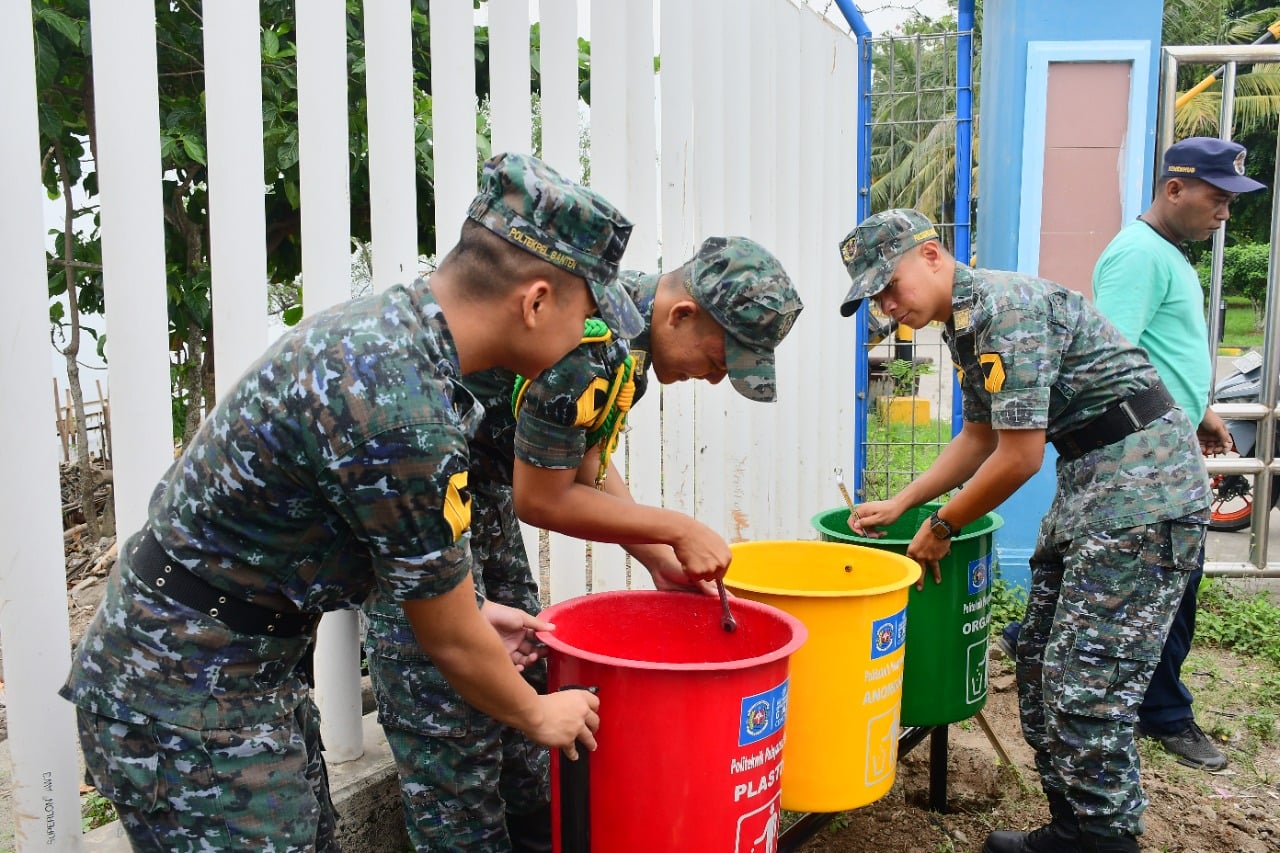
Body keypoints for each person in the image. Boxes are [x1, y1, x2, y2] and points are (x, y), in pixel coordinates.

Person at [59, 151, 643, 852]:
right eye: (586, 313)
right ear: (538, 299)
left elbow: (378, 549)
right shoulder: (402, 404)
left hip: (238, 666)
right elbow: (447, 638)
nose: (586, 335)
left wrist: (476, 610)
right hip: (186, 687)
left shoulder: (398, 341)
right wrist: (539, 713)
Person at [364, 235, 803, 851]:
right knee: (452, 720)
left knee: (527, 676)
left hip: (479, 490)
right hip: (421, 500)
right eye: (720, 357)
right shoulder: (594, 343)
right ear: (683, 314)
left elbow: (581, 459)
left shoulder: (628, 347)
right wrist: (675, 529)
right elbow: (541, 499)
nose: (715, 377)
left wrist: (657, 558)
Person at [838, 209, 1210, 853]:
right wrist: (905, 501)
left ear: (932, 256)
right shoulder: (964, 323)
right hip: (1096, 489)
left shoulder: (1005, 309)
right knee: (1039, 662)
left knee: (1087, 683)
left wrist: (942, 525)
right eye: (875, 297)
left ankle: (1104, 839)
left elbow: (1019, 456)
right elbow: (980, 436)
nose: (887, 306)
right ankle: (1073, 827)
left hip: (1145, 494)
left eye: (889, 286)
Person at [997, 137, 1263, 774]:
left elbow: (1160, 353)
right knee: (1164, 586)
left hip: (1165, 441)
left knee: (1160, 584)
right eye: (1217, 198)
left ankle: (1031, 643)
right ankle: (1164, 713)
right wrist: (1166, 432)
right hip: (1144, 461)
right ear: (1175, 189)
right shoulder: (1139, 255)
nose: (1225, 213)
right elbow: (1115, 362)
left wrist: (1199, 409)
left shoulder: (1163, 253)